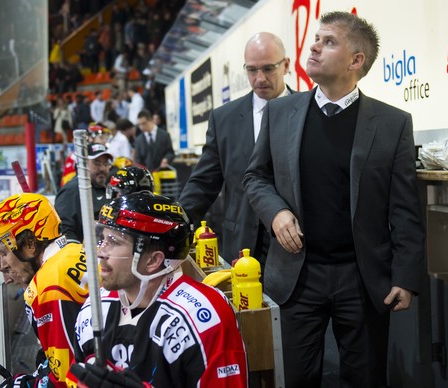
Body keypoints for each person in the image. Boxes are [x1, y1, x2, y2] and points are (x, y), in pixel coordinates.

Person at [243, 12, 425, 388]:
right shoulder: (279, 113)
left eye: (329, 42)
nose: (314, 46)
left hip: (363, 278)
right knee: (293, 377)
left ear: (356, 61)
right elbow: (255, 177)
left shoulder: (393, 124)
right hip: (296, 276)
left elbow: (405, 209)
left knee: (365, 378)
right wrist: (276, 213)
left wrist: (405, 277)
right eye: (316, 38)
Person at [68, 192, 248, 387]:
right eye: (102, 239)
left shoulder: (203, 316)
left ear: (153, 260)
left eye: (115, 242)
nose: (101, 252)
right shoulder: (94, 308)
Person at [179, 32, 292, 266]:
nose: (259, 78)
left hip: (296, 247)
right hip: (242, 247)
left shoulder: (309, 111)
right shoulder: (224, 119)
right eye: (252, 70)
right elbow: (204, 183)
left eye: (268, 69)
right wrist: (177, 222)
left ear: (286, 65)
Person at [0, 192, 89, 387]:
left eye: (4, 253)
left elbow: (66, 379)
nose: (3, 266)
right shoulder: (72, 249)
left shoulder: (48, 285)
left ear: (30, 243)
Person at [55, 143, 113, 243]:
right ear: (83, 164)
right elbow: (63, 231)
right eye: (97, 163)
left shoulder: (108, 188)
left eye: (105, 164)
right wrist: (78, 255)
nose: (103, 168)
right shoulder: (72, 190)